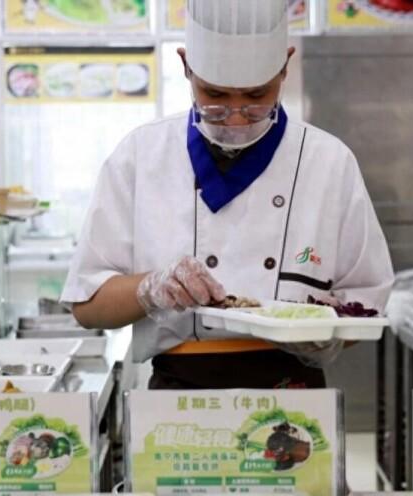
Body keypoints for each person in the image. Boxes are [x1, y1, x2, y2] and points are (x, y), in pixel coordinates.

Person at [62, 0, 394, 390]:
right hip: (179, 395)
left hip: (294, 390)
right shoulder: (141, 155)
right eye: (215, 95)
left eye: (256, 96)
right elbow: (88, 306)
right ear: (186, 67)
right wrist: (150, 288)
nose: (236, 118)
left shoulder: (328, 161)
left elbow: (367, 300)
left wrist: (323, 335)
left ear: (285, 67)